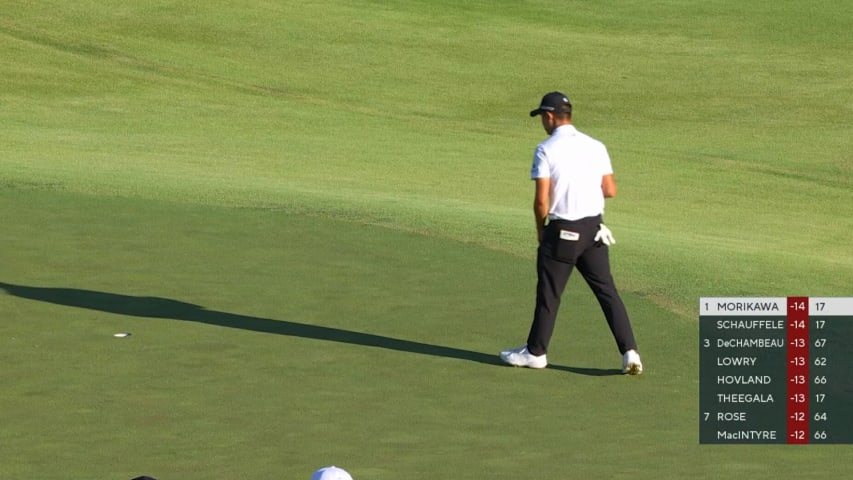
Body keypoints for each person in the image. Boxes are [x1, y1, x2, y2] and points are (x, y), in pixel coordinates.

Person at [499, 91, 642, 375]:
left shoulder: (546, 149)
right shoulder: (595, 146)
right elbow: (610, 190)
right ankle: (630, 352)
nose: (542, 122)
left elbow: (542, 200)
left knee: (549, 293)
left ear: (550, 117)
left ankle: (536, 352)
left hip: (563, 231)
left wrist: (542, 233)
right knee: (607, 291)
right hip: (594, 231)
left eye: (542, 117)